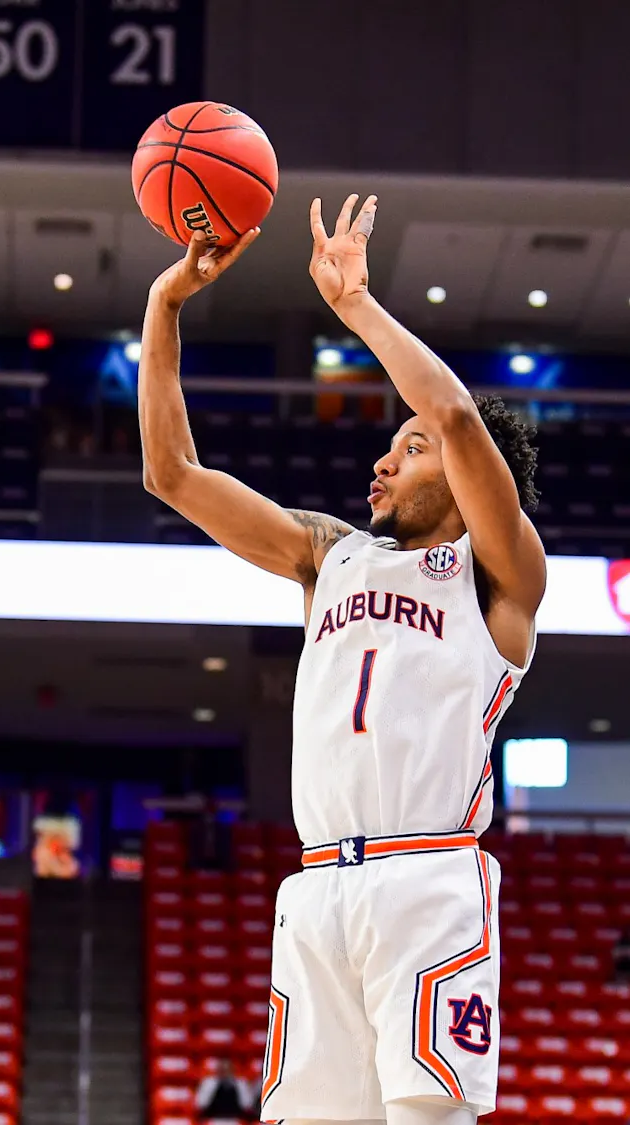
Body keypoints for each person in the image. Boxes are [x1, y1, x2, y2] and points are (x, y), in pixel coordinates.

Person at [138, 195, 545, 1125]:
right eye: (389, 447)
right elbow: (172, 474)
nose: (383, 463)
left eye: (409, 448)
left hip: (428, 879)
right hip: (318, 883)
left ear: (464, 475)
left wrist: (356, 305)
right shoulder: (330, 554)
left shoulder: (498, 575)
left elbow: (453, 413)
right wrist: (165, 306)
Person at [194, 1058, 254, 1124]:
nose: (225, 1073)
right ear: (217, 1070)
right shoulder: (208, 1082)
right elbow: (201, 1104)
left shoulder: (241, 1083)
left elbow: (247, 1105)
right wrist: (214, 1087)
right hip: (213, 1119)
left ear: (233, 1070)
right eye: (222, 1070)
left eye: (227, 1070)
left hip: (235, 1120)